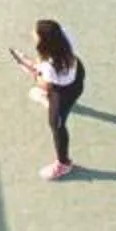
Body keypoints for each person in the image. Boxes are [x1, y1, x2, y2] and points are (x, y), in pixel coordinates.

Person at [17, 19, 85, 181]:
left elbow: (45, 84)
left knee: (56, 124)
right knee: (57, 106)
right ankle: (52, 103)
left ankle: (63, 164)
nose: (32, 33)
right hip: (78, 73)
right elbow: (45, 61)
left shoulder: (51, 66)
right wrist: (36, 64)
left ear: (45, 41)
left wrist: (31, 71)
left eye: (36, 33)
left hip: (64, 91)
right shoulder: (65, 34)